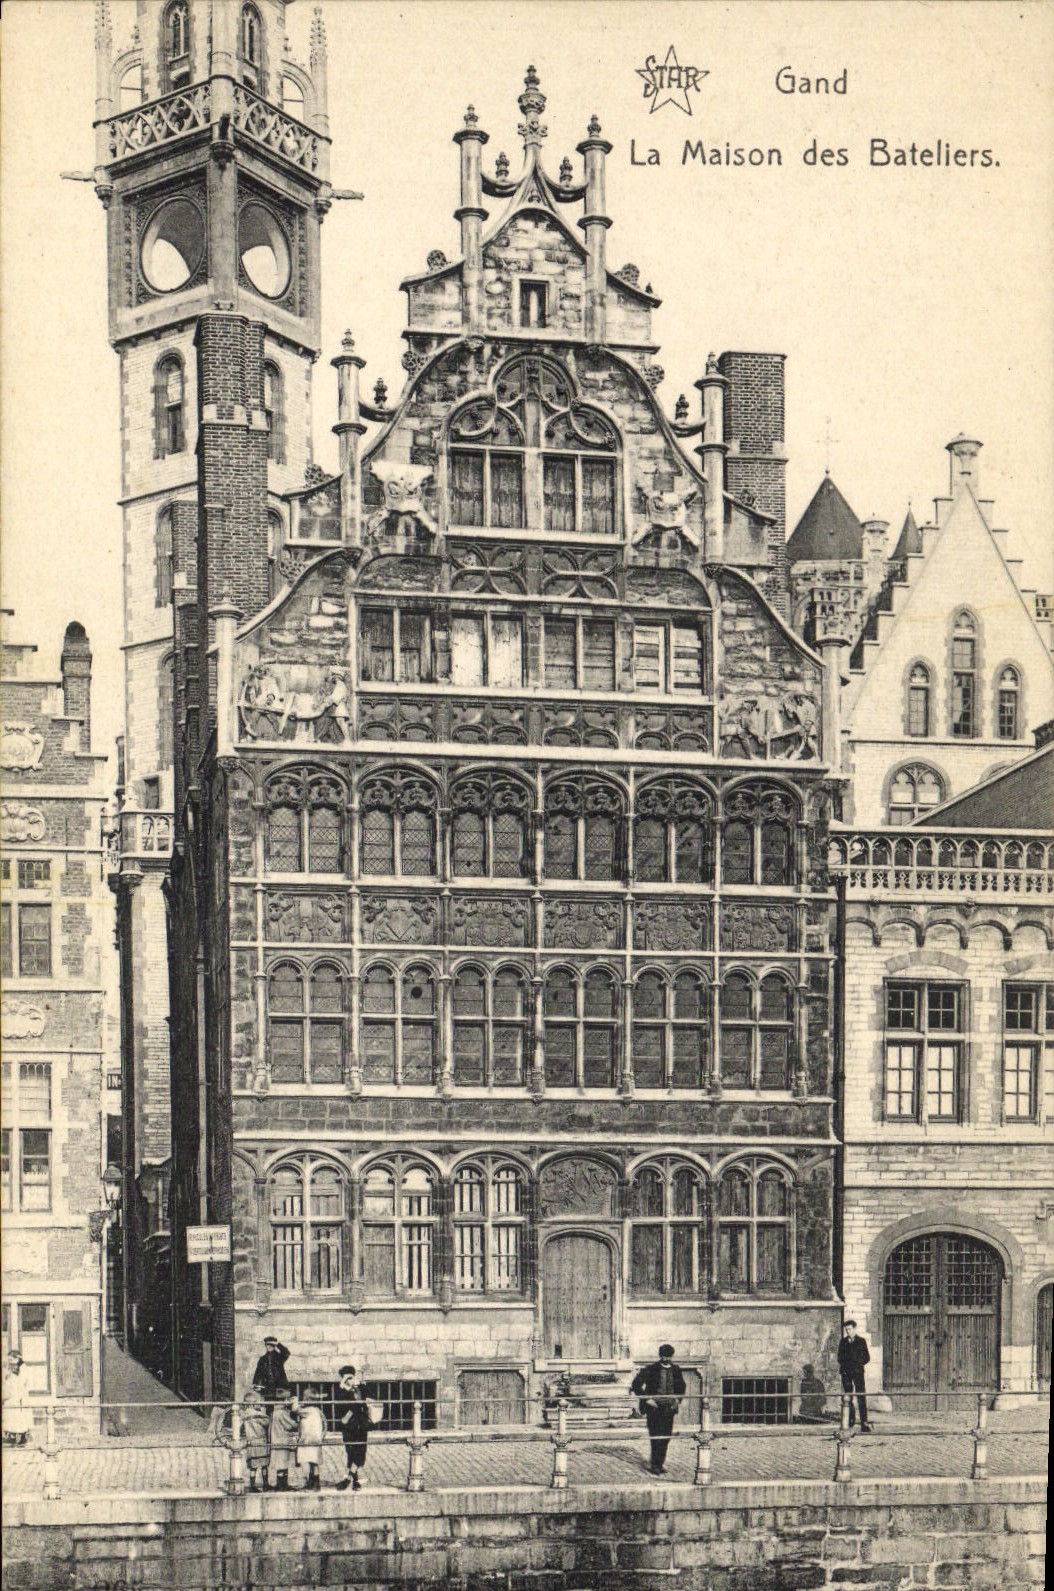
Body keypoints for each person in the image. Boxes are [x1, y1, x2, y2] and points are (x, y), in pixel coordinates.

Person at [629, 1344, 686, 1475]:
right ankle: (654, 1465)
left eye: (668, 1356)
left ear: (671, 1356)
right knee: (655, 1436)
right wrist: (647, 1400)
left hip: (669, 1408)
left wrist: (677, 1400)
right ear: (660, 1356)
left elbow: (682, 1386)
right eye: (664, 1356)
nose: (666, 1359)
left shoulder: (676, 1370)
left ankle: (660, 1464)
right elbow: (636, 1385)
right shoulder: (651, 1369)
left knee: (666, 1437)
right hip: (654, 1408)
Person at [333, 1364, 371, 1490]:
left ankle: (349, 1479)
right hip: (348, 1427)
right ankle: (355, 1480)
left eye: (350, 1378)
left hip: (361, 1425)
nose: (349, 1381)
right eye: (346, 1378)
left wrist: (360, 1385)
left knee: (360, 1451)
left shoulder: (360, 1389)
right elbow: (343, 1406)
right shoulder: (341, 1391)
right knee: (351, 1451)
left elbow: (365, 1401)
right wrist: (343, 1387)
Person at [837, 1320, 873, 1431]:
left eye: (850, 1329)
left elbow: (867, 1357)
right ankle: (849, 1421)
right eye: (846, 1330)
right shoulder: (843, 1342)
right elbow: (839, 1357)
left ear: (855, 1329)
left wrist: (857, 1364)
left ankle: (864, 1422)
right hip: (846, 1373)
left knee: (861, 1396)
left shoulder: (861, 1341)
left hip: (858, 1373)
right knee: (848, 1397)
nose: (848, 1332)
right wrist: (845, 1367)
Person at [295, 1387, 327, 1492]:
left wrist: (295, 1402)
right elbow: (325, 1423)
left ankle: (309, 1481)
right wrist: (322, 1436)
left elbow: (295, 1410)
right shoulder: (318, 1411)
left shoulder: (306, 1411)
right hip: (316, 1440)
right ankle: (316, 1483)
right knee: (315, 1462)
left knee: (305, 1460)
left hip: (306, 1440)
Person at [241, 1385, 271, 1492]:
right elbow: (267, 1423)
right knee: (264, 1465)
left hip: (251, 1443)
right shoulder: (258, 1415)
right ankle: (265, 1484)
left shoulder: (244, 1415)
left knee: (253, 1466)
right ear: (254, 1403)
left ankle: (253, 1484)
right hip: (261, 1441)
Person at [269, 1386, 299, 1490]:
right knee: (283, 1463)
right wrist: (297, 1423)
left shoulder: (274, 1412)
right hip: (282, 1440)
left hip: (276, 1439)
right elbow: (290, 1425)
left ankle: (281, 1484)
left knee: (281, 1463)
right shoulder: (281, 1413)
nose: (289, 1401)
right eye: (288, 1399)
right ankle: (282, 1485)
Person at [2, 1350, 33, 1446]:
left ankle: (21, 1438)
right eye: (8, 1360)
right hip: (12, 1396)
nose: (9, 1362)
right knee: (11, 1417)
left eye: (11, 1359)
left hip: (19, 1397)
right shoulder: (13, 1368)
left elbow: (22, 1383)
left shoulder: (23, 1369)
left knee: (19, 1418)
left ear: (17, 1358)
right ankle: (11, 1437)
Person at [252, 1336, 290, 1401]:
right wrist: (256, 1384)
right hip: (267, 1387)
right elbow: (258, 1372)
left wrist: (278, 1344)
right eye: (267, 1345)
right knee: (268, 1407)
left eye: (271, 1345)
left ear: (274, 1346)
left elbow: (286, 1353)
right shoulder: (262, 1359)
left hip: (279, 1386)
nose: (268, 1347)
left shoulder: (279, 1357)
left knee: (279, 1405)